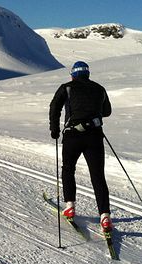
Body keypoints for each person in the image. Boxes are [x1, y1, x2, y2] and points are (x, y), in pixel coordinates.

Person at [49, 61, 113, 234]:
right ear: (88, 74)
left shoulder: (67, 87)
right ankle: (105, 216)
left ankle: (70, 206)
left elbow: (54, 106)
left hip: (72, 136)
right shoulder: (99, 89)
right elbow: (107, 111)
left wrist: (54, 129)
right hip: (95, 137)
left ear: (73, 75)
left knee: (68, 169)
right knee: (98, 176)